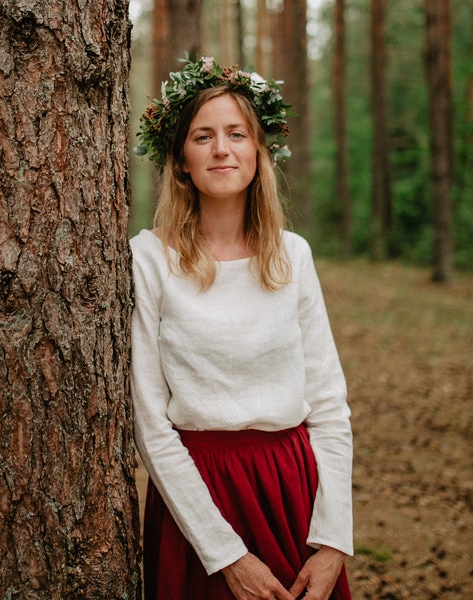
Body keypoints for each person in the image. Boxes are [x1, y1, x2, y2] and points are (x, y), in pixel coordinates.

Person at [130, 55, 353, 600]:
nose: (222, 149)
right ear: (181, 159)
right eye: (203, 136)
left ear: (259, 151)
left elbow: (327, 403)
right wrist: (225, 554)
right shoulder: (150, 258)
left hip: (292, 490)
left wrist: (332, 541)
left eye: (236, 134)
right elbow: (150, 423)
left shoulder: (291, 256)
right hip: (200, 495)